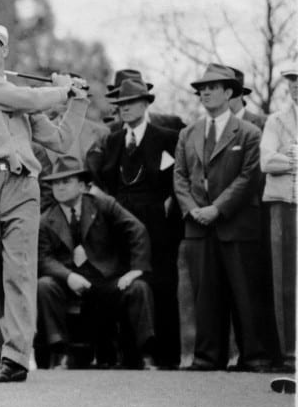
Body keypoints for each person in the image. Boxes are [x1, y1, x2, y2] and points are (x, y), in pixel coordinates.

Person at [0, 24, 89, 383]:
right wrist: (62, 89)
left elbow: (60, 140)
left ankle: (15, 357)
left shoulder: (18, 95)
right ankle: (9, 348)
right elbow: (31, 99)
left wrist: (77, 100)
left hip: (23, 186)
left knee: (20, 271)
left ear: (5, 52)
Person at [174, 63, 276, 372]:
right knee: (206, 295)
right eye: (202, 88)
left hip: (236, 225)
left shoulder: (249, 132)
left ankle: (254, 357)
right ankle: (207, 357)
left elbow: (248, 178)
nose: (204, 92)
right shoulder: (187, 133)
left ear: (229, 92)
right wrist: (193, 209)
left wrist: (217, 208)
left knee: (245, 293)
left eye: (213, 87)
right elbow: (180, 177)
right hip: (199, 227)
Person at [92, 77, 181, 369]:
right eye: (120, 104)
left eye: (131, 103)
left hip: (158, 225)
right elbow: (103, 181)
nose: (125, 109)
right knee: (125, 284)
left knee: (161, 286)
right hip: (122, 224)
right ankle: (130, 356)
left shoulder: (167, 136)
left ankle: (166, 357)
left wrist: (169, 202)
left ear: (145, 104)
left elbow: (180, 177)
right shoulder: (113, 139)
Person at [37, 156, 156, 369]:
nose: (60, 187)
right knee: (45, 286)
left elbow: (137, 230)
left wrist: (135, 270)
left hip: (107, 279)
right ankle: (61, 353)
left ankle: (145, 355)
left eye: (66, 181)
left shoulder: (104, 205)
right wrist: (68, 276)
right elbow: (44, 258)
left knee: (138, 288)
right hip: (70, 283)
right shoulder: (46, 219)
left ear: (82, 185)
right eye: (55, 183)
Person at [260, 68, 298, 372]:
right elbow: (266, 161)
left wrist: (289, 157)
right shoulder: (275, 120)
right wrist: (293, 159)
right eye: (293, 82)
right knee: (285, 280)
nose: (296, 87)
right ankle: (288, 354)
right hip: (284, 205)